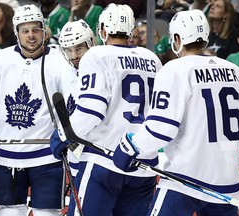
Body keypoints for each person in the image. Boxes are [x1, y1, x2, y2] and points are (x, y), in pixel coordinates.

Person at [112, 9, 239, 216]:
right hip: (226, 183)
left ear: (177, 38)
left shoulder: (174, 70)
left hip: (184, 181)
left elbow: (161, 129)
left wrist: (131, 147)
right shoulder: (233, 70)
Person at [50, 3, 163, 216]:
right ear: (131, 30)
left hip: (104, 161)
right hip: (143, 165)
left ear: (102, 30)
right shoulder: (153, 60)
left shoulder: (97, 55)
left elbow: (91, 110)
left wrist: (63, 134)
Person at [0, 4, 68, 216]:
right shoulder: (1, 60)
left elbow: (69, 107)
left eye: (35, 29)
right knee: (8, 213)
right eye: (25, 30)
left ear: (43, 30)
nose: (31, 35)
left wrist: (66, 136)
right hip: (6, 156)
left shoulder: (60, 60)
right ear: (16, 32)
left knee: (47, 214)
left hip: (48, 157)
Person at [58, 19, 95, 177]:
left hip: (98, 154)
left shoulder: (101, 69)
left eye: (78, 48)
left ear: (90, 42)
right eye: (68, 50)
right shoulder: (64, 72)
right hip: (74, 151)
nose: (74, 56)